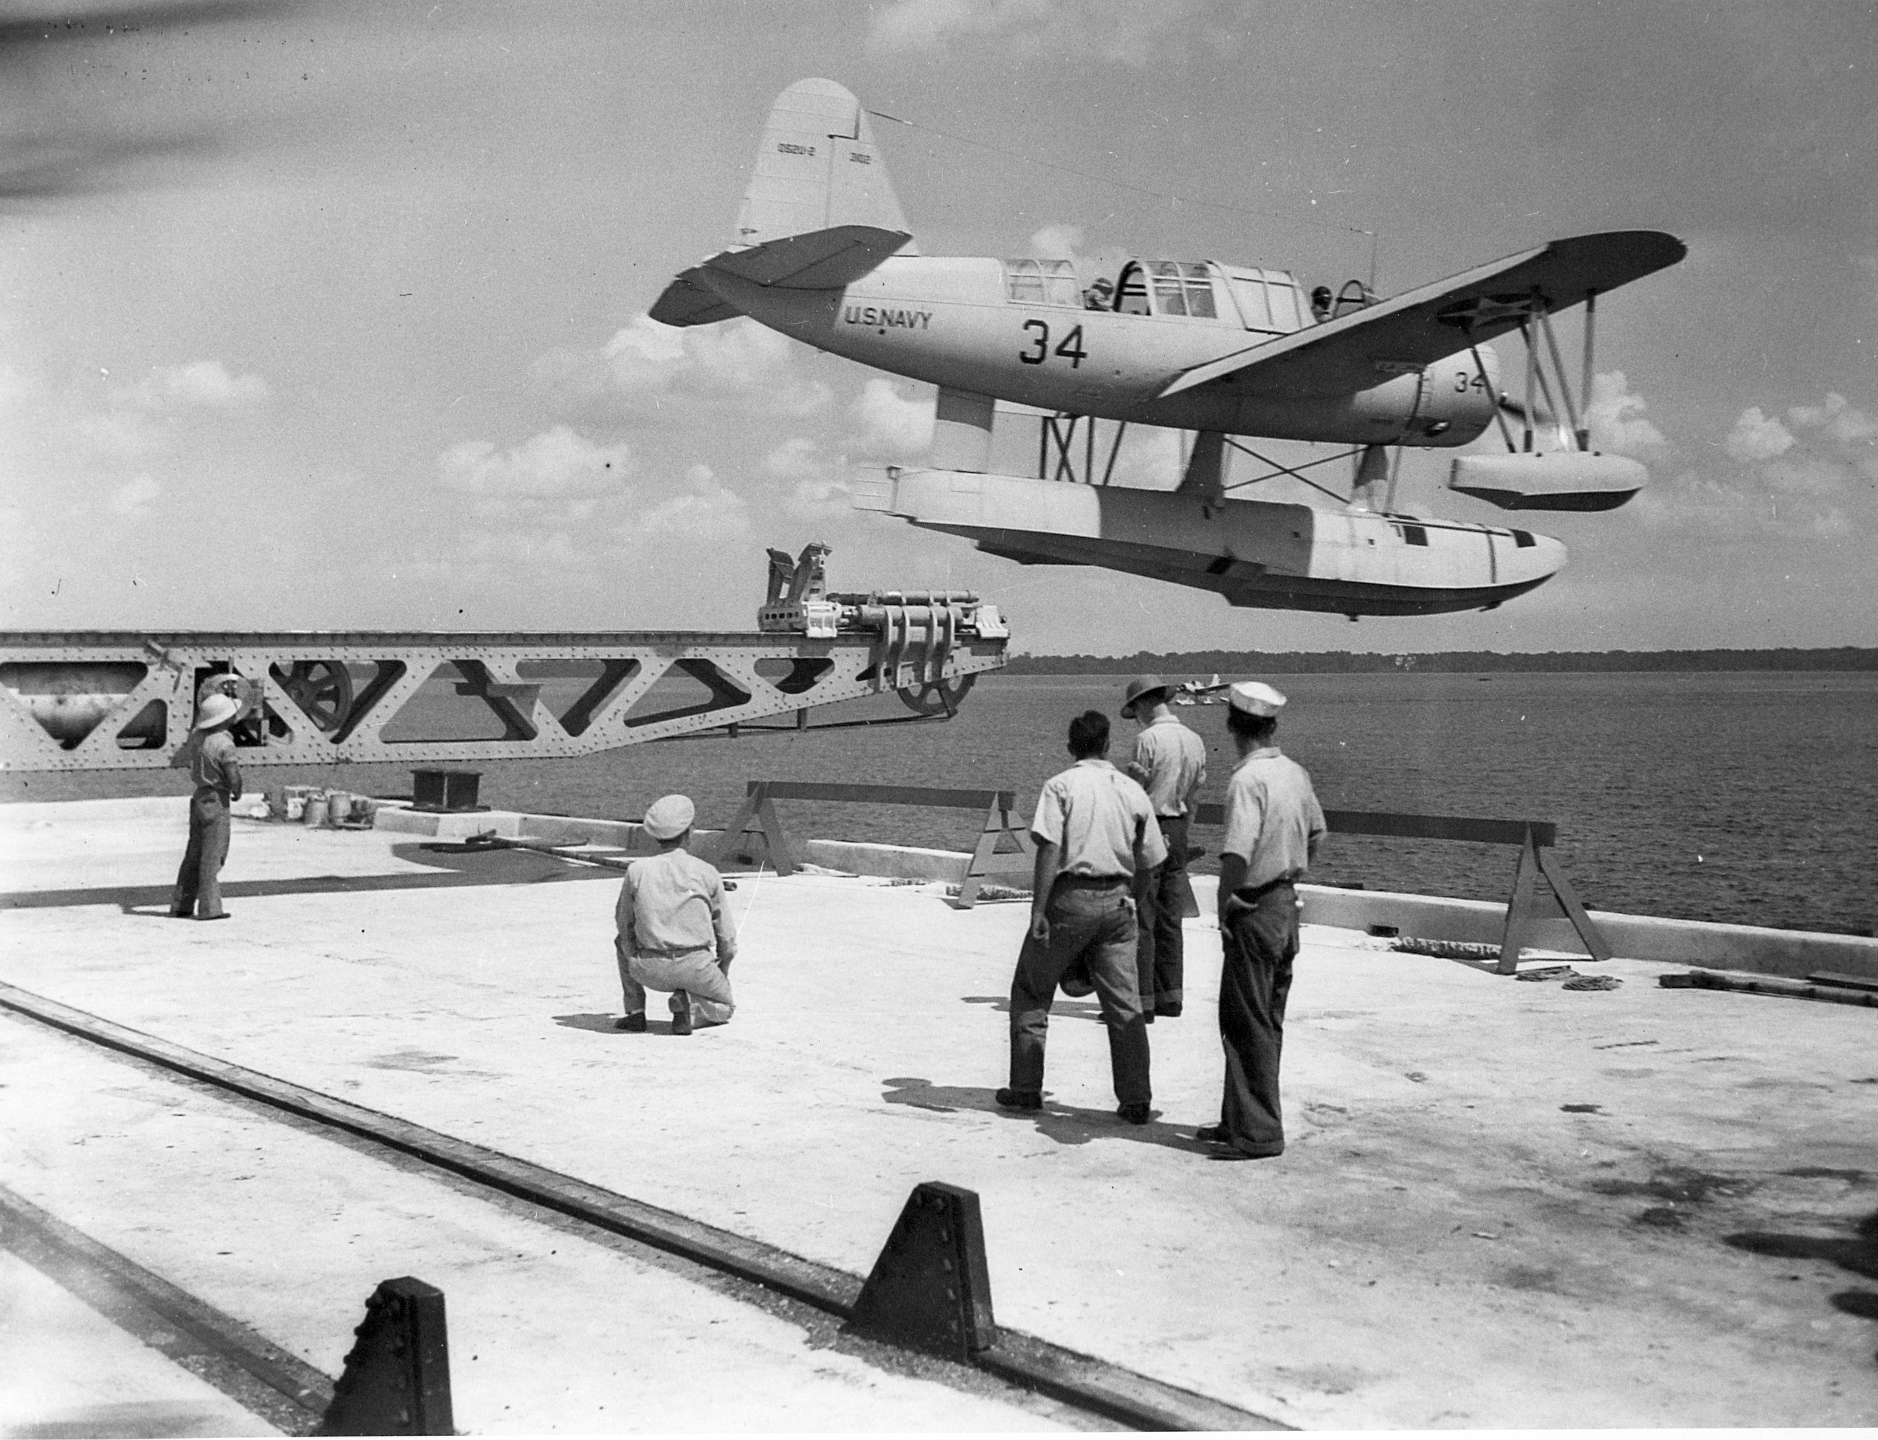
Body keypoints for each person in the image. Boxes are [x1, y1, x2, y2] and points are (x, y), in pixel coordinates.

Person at [999, 710, 1166, 1124]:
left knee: (1032, 991)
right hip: (1118, 901)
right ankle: (1135, 1098)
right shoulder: (1131, 790)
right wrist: (1134, 899)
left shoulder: (1060, 786)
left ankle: (1025, 1089)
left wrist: (1038, 911)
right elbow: (1151, 860)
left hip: (1070, 899)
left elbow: (1049, 849)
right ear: (1108, 745)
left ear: (1071, 746)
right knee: (1124, 1005)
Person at [1199, 681, 1326, 1158]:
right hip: (1285, 905)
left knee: (1244, 1019)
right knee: (1264, 1018)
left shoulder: (1247, 780)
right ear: (1271, 725)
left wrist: (1225, 903)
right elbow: (1317, 833)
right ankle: (1241, 1119)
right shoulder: (1295, 773)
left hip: (1253, 907)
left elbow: (1236, 852)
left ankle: (1258, 1133)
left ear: (1234, 726)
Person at [1120, 675, 1208, 1022]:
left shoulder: (1148, 739)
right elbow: (1195, 794)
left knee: (1142, 917)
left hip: (1151, 827)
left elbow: (1136, 795)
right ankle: (1171, 997)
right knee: (1172, 919)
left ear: (1143, 704)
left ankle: (1143, 1003)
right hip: (1179, 826)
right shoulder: (1194, 739)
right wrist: (1182, 831)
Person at [615, 794, 737, 1035]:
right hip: (696, 968)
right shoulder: (707, 872)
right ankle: (690, 1008)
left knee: (621, 942)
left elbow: (623, 923)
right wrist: (720, 974)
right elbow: (729, 942)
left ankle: (636, 1012)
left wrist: (633, 957)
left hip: (650, 969)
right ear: (689, 833)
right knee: (725, 1007)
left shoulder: (636, 871)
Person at [170, 692, 243, 920]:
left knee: (193, 854)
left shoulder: (199, 739)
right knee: (213, 856)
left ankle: (181, 905)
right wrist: (237, 790)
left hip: (199, 797)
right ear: (223, 719)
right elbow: (233, 775)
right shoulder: (224, 744)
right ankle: (210, 909)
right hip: (216, 799)